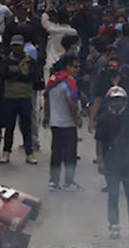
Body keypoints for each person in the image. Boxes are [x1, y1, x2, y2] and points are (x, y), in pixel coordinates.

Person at [95, 86, 129, 239]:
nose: (117, 103)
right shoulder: (103, 119)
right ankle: (114, 225)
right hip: (111, 163)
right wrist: (100, 161)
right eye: (114, 100)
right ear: (109, 102)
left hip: (128, 163)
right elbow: (100, 142)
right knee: (113, 196)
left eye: (120, 100)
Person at [44, 55, 82, 192]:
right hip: (68, 124)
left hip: (55, 123)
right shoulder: (70, 81)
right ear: (67, 66)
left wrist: (46, 116)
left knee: (56, 153)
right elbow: (71, 103)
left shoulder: (52, 80)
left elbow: (47, 98)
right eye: (75, 66)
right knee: (70, 154)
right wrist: (77, 118)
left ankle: (53, 182)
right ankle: (69, 182)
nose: (77, 69)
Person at [0, 34, 37, 165]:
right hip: (10, 97)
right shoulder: (6, 60)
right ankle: (6, 152)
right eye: (14, 45)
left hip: (25, 97)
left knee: (26, 127)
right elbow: (3, 75)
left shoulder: (30, 61)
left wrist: (15, 74)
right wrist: (20, 74)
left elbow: (32, 77)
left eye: (19, 45)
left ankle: (29, 152)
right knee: (9, 127)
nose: (16, 48)